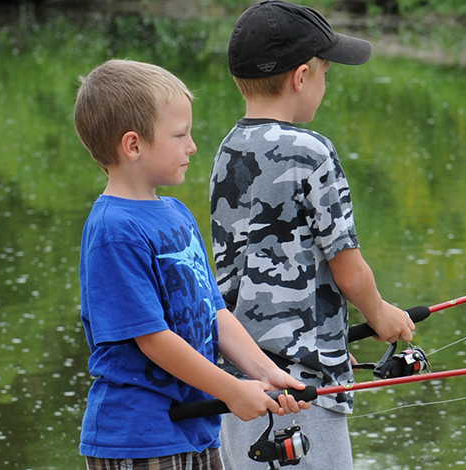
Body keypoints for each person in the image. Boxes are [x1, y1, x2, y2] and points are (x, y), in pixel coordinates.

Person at [210, 2, 417, 468]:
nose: (325, 84)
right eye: (326, 73)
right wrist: (381, 314)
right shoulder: (313, 152)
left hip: (238, 384)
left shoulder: (226, 150)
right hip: (306, 390)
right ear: (301, 77)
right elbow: (348, 268)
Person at [73, 58, 308, 470]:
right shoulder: (114, 230)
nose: (193, 145)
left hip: (197, 431)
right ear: (133, 145)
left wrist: (266, 373)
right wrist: (232, 390)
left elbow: (214, 313)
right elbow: (153, 339)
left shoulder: (177, 214)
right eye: (180, 135)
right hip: (138, 439)